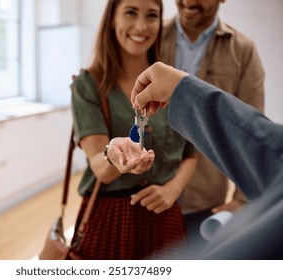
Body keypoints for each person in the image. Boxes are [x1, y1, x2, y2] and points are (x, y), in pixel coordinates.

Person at [106, 62, 283, 259]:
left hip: (194, 204)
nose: (142, 29)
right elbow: (274, 154)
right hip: (124, 215)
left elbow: (271, 153)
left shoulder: (240, 50)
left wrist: (240, 200)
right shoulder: (93, 82)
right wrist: (109, 152)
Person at [70, 0, 198, 259]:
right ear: (112, 20)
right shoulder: (87, 85)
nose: (141, 26)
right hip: (111, 220)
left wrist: (173, 189)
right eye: (130, 12)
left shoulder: (176, 83)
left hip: (166, 214)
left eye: (152, 15)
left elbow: (191, 154)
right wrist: (112, 156)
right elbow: (100, 169)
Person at [159, 0, 265, 248]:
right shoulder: (150, 36)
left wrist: (241, 200)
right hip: (150, 192)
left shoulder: (243, 50)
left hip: (205, 200)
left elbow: (250, 129)